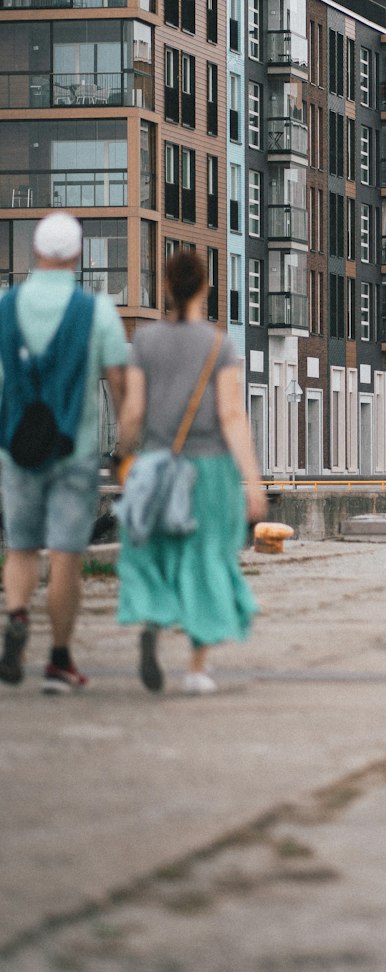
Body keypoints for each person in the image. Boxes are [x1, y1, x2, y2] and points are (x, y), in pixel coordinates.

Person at [115, 251, 267, 695]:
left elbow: (134, 411)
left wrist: (125, 455)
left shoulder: (144, 342)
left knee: (158, 552)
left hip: (158, 466)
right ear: (204, 288)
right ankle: (197, 668)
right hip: (209, 470)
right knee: (207, 560)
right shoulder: (219, 345)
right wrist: (253, 482)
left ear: (165, 285)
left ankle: (153, 622)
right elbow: (232, 415)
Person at [0, 212, 129, 693]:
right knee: (67, 557)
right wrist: (127, 448)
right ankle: (58, 660)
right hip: (74, 455)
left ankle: (16, 616)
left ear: (35, 250)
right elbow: (120, 387)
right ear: (76, 256)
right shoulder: (97, 313)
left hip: (16, 451)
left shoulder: (4, 308)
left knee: (20, 548)